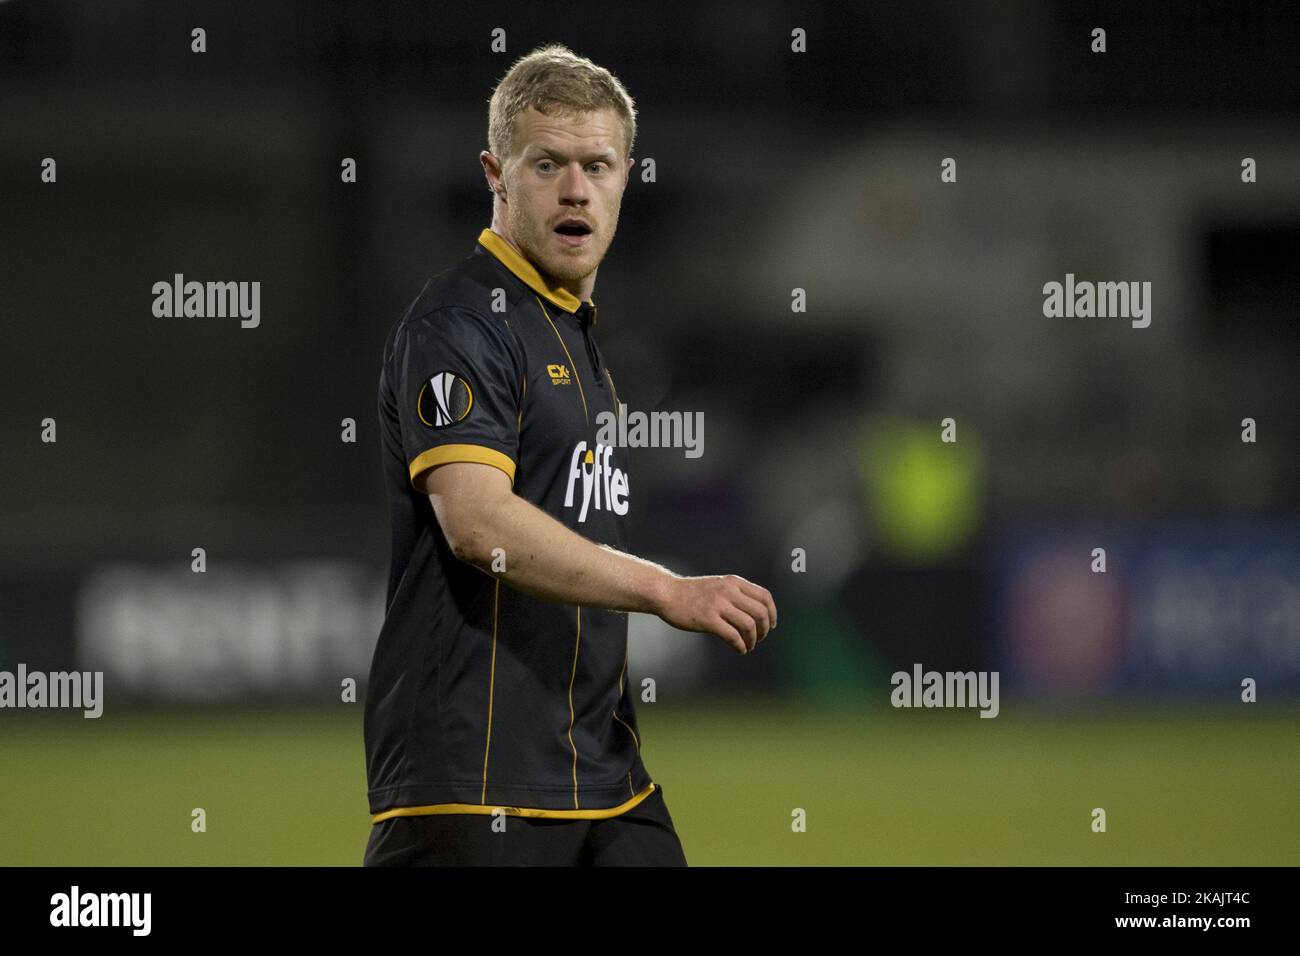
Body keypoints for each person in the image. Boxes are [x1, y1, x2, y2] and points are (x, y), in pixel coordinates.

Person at [363, 44, 777, 866]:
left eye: (598, 164)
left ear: (627, 177)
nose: (575, 188)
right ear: (496, 174)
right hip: (479, 777)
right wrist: (665, 589)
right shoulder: (461, 324)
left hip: (602, 767)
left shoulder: (573, 335)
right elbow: (479, 525)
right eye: (546, 163)